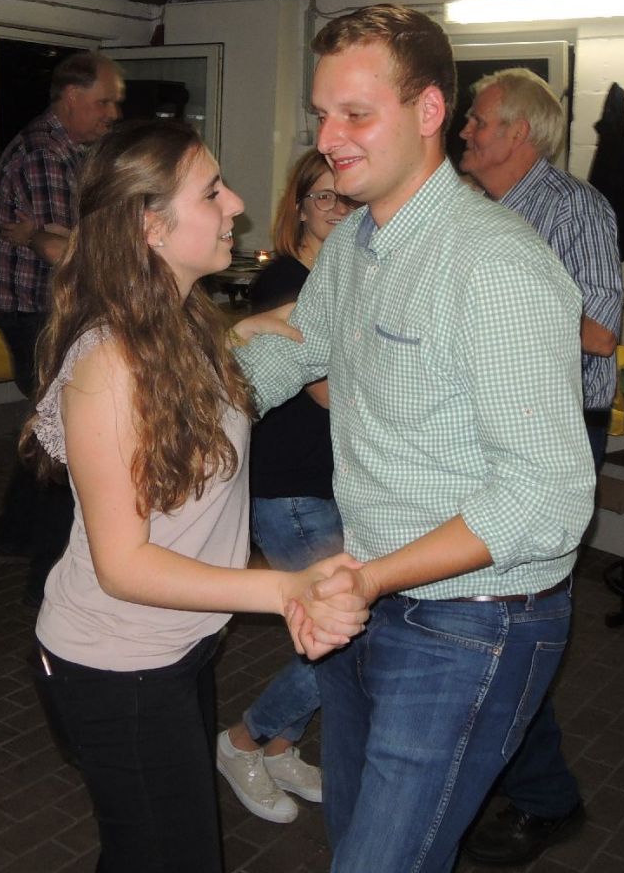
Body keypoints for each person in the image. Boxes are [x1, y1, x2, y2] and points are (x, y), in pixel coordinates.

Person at [233, 5, 595, 873]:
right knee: (355, 835)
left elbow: (548, 497)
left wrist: (369, 577)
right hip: (372, 588)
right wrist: (178, 408)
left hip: (473, 617)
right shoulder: (357, 242)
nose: (330, 140)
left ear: (430, 110)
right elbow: (301, 346)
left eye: (356, 115)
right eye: (323, 114)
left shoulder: (494, 265)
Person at [26, 119, 367, 872]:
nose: (236, 203)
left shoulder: (180, 324)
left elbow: (257, 351)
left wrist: (259, 332)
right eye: (212, 192)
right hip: (118, 665)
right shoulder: (109, 364)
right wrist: (286, 589)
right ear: (151, 226)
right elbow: (125, 566)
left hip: (175, 648)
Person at [457, 68, 624, 865]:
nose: (465, 132)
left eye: (479, 121)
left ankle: (546, 798)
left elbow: (601, 330)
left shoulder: (572, 209)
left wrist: (497, 306)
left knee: (515, 606)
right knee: (481, 607)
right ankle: (512, 774)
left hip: (552, 435)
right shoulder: (470, 205)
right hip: (481, 429)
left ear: (519, 134)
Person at [215, 152, 352, 824]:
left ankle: (278, 745)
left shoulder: (341, 275)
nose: (338, 209)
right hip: (290, 487)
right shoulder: (286, 281)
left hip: (331, 480)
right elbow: (325, 391)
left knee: (334, 626)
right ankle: (243, 741)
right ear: (298, 206)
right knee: (342, 633)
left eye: (347, 197)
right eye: (323, 197)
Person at [0, 51, 125, 606]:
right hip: (39, 313)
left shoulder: (70, 151)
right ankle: (46, 579)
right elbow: (66, 249)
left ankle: (16, 535)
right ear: (71, 97)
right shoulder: (44, 153)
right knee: (64, 438)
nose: (113, 113)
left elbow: (64, 237)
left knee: (48, 425)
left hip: (46, 311)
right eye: (104, 101)